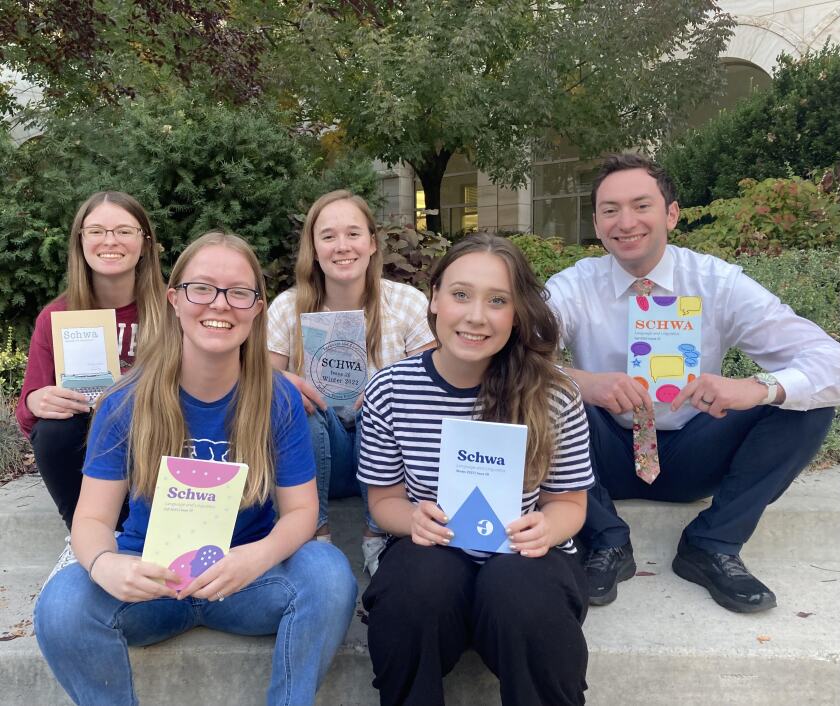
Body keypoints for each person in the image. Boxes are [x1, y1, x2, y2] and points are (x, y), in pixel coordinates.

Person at [34, 232, 357, 706]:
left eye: (239, 292)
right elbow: (92, 520)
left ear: (257, 307)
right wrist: (107, 566)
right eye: (202, 288)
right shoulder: (126, 401)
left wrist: (255, 558)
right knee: (61, 605)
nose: (220, 305)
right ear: (174, 300)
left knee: (329, 573)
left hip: (247, 582)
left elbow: (302, 512)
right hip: (150, 583)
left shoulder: (277, 397)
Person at [546, 152, 840, 613]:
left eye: (641, 205)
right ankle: (605, 540)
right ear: (598, 223)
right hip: (600, 454)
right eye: (610, 210)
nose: (626, 222)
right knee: (541, 391)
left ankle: (712, 544)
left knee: (808, 400)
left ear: (671, 214)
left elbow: (829, 360)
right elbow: (511, 353)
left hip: (693, 449)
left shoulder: (716, 282)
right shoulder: (574, 285)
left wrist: (757, 387)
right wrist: (583, 382)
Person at [358, 233, 594, 706]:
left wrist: (546, 528)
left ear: (518, 312)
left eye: (498, 300)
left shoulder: (554, 392)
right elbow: (383, 501)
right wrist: (413, 520)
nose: (475, 316)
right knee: (415, 589)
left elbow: (569, 502)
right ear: (435, 299)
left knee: (518, 589)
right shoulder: (390, 390)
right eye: (460, 294)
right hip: (432, 555)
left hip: (526, 560)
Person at [267, 190, 435, 573]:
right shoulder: (288, 307)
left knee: (383, 406)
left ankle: (378, 535)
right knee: (291, 402)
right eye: (328, 236)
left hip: (387, 460)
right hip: (317, 452)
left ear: (372, 243)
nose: (342, 247)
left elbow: (432, 386)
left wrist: (383, 394)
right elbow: (260, 380)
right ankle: (314, 530)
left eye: (353, 234)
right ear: (314, 247)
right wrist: (286, 382)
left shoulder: (406, 303)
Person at [16, 191, 165, 530]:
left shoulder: (174, 310)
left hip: (159, 436)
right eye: (96, 230)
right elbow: (28, 415)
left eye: (124, 231)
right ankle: (85, 533)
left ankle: (147, 531)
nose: (110, 241)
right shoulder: (57, 316)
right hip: (90, 446)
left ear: (145, 241)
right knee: (54, 429)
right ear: (80, 241)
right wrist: (37, 400)